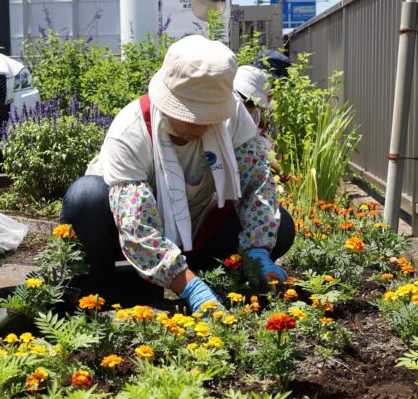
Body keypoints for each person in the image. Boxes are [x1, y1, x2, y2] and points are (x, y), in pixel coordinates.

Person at [60, 35, 295, 313]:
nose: (202, 125)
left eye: (210, 115)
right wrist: (191, 290)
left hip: (198, 226)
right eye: (191, 114)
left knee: (282, 228)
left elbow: (256, 182)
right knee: (85, 197)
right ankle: (104, 284)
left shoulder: (233, 116)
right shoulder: (131, 130)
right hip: (120, 231)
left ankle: (209, 274)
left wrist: (257, 249)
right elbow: (136, 225)